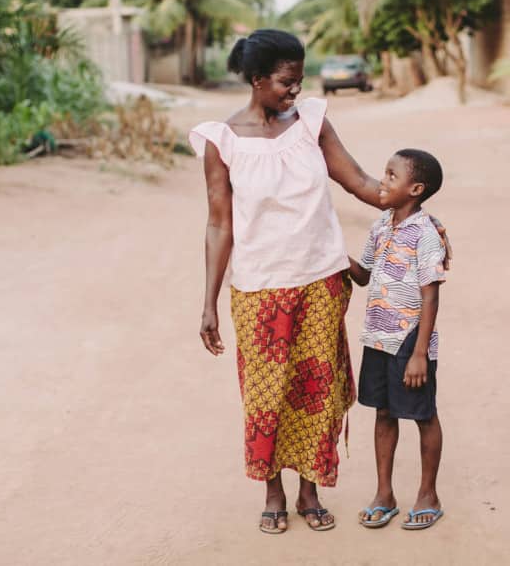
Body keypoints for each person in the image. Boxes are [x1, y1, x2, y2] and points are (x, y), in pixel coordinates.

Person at [190, 29, 387, 534]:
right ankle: (272, 489)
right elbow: (219, 223)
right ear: (257, 80)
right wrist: (209, 301)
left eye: (299, 81)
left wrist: (403, 199)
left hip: (321, 279)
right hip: (258, 287)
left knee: (316, 390)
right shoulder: (222, 141)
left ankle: (309, 490)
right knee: (266, 394)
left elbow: (359, 180)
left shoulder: (313, 124)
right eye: (285, 82)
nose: (294, 91)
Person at [347, 149, 449, 531]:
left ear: (415, 189)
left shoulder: (426, 234)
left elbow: (430, 294)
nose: (382, 181)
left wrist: (420, 353)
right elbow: (363, 276)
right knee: (383, 412)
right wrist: (334, 255)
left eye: (392, 175)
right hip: (377, 337)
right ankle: (384, 494)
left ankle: (428, 495)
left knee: (422, 414)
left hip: (409, 342)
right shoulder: (381, 226)